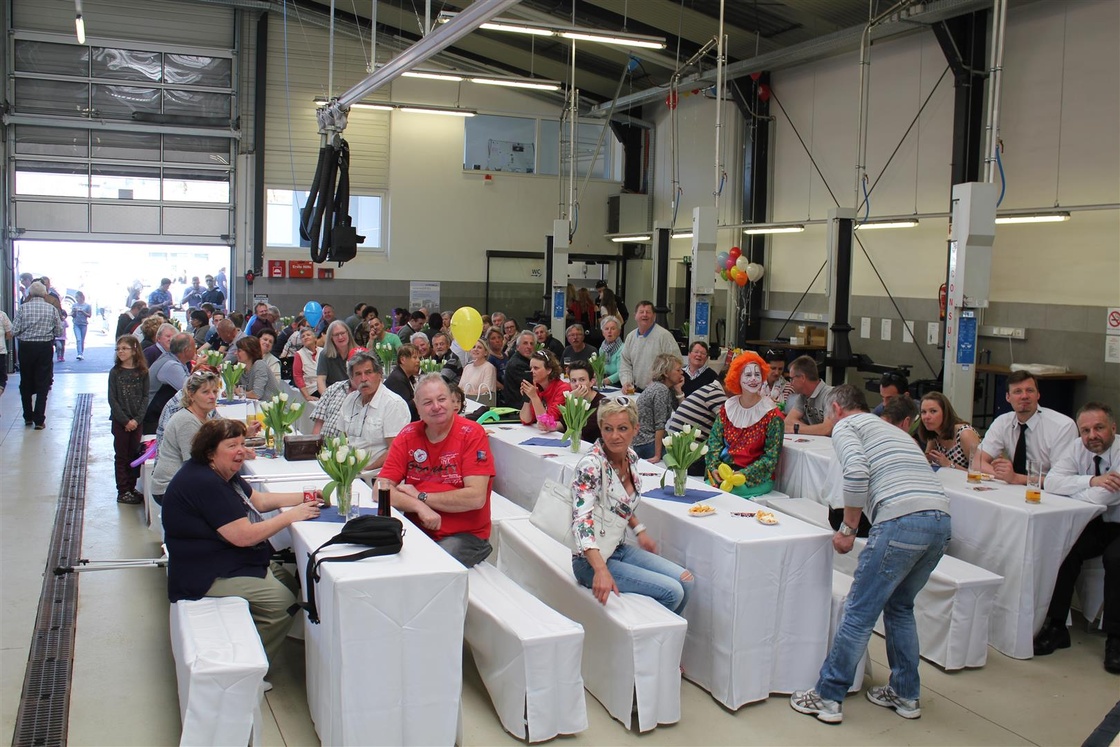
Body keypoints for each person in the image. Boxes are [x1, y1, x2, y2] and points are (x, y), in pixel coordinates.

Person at [791, 384, 951, 725]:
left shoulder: (848, 426)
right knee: (900, 606)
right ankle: (906, 693)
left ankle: (828, 696)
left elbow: (857, 472)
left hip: (901, 521)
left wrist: (848, 528)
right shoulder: (895, 432)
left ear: (835, 408)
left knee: (859, 611)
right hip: (939, 521)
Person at [161, 419, 320, 670]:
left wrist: (308, 497)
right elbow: (244, 536)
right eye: (232, 445)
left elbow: (260, 500)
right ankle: (251, 669)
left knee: (288, 581)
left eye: (242, 444)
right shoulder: (205, 482)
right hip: (202, 571)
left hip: (222, 556)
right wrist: (291, 515)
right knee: (282, 602)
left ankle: (254, 639)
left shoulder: (223, 473)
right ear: (210, 452)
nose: (241, 451)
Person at [570, 397, 692, 613]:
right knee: (673, 592)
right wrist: (600, 569)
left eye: (622, 428)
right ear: (600, 428)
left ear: (636, 429)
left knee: (686, 581)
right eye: (608, 428)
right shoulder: (590, 465)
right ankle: (653, 640)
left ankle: (662, 637)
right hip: (589, 560)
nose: (614, 436)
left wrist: (639, 530)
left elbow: (621, 502)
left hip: (617, 548)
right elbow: (581, 521)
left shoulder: (632, 458)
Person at [1033, 402, 1120, 672]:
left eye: (1099, 428)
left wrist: (1079, 488)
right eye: (1085, 430)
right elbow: (1052, 482)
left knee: (1116, 560)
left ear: (1113, 428)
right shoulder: (1076, 448)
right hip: (1095, 522)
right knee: (1063, 547)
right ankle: (1057, 625)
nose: (1092, 435)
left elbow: (1107, 496)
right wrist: (1090, 481)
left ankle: (1116, 638)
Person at [381, 375, 496, 567]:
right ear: (417, 409)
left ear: (452, 402)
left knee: (427, 566)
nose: (436, 406)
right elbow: (381, 488)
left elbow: (476, 498)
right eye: (428, 402)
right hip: (415, 530)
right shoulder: (408, 434)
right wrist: (419, 507)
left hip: (465, 536)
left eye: (441, 399)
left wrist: (421, 496)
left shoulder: (472, 433)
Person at [704, 351, 784, 497]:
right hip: (722, 475)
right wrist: (714, 467)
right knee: (711, 490)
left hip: (754, 479)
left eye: (757, 374)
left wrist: (743, 474)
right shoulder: (728, 408)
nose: (753, 379)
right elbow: (714, 442)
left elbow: (771, 458)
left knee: (727, 494)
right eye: (748, 375)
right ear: (737, 378)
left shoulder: (772, 414)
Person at [979, 370, 1077, 485]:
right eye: (1017, 391)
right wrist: (1004, 476)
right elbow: (978, 461)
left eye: (1030, 390)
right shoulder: (1003, 422)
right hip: (1013, 488)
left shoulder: (1063, 426)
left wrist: (1016, 478)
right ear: (1008, 397)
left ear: (1038, 395)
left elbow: (1062, 480)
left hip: (1048, 492)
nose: (1024, 396)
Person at [150, 371, 220, 505]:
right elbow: (195, 463)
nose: (212, 396)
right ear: (191, 395)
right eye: (205, 392)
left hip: (182, 483)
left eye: (215, 391)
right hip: (168, 488)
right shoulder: (187, 421)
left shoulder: (205, 416)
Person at [338, 351, 411, 468]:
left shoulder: (393, 404)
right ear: (351, 379)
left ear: (380, 374)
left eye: (368, 372)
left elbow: (395, 450)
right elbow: (342, 440)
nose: (363, 379)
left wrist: (364, 470)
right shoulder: (349, 400)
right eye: (358, 374)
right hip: (349, 472)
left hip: (376, 474)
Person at [12, 282, 62, 429]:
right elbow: (59, 331)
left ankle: (27, 416)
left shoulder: (22, 308)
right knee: (43, 382)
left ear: (30, 294)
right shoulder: (51, 309)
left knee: (25, 381)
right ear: (45, 294)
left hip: (26, 348)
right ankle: (39, 419)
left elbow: (14, 330)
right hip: (44, 348)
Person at [108, 336, 150, 504]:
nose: (121, 352)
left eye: (124, 348)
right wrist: (125, 421)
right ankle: (123, 489)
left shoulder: (142, 372)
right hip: (121, 422)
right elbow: (113, 399)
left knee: (134, 454)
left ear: (134, 350)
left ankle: (132, 487)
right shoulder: (115, 372)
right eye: (118, 349)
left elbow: (145, 396)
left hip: (137, 421)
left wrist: (137, 419)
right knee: (121, 455)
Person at [667, 380, 728, 476]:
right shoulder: (716, 393)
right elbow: (733, 425)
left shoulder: (708, 389)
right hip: (689, 459)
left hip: (674, 454)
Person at [619, 301, 679, 394]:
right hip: (636, 390)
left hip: (659, 392)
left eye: (648, 312)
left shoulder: (664, 336)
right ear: (635, 316)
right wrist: (626, 382)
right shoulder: (630, 337)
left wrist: (659, 382)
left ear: (654, 316)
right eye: (641, 312)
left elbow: (676, 362)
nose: (644, 315)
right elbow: (625, 362)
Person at [632, 353, 683, 461]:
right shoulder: (661, 390)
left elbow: (681, 412)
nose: (682, 373)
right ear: (666, 373)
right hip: (647, 443)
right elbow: (659, 426)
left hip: (642, 441)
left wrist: (678, 390)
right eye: (678, 370)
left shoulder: (665, 388)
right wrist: (657, 455)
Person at [145, 333, 195, 433]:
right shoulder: (171, 366)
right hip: (153, 418)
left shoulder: (171, 358)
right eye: (194, 347)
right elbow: (191, 390)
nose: (196, 350)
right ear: (186, 350)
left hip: (159, 414)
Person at [917, 392, 980, 471]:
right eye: (923, 412)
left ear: (945, 413)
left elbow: (979, 473)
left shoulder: (965, 434)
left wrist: (949, 464)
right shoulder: (933, 434)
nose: (927, 417)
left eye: (933, 411)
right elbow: (927, 462)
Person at [519, 350, 572, 428]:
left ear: (549, 370)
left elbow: (546, 422)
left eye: (536, 368)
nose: (532, 371)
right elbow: (526, 420)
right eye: (531, 368)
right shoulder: (536, 387)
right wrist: (527, 398)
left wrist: (534, 397)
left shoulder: (563, 389)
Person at [784, 355, 835, 436]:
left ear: (802, 378)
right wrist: (815, 430)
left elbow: (827, 429)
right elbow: (788, 421)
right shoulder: (803, 396)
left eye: (792, 379)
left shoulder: (831, 395)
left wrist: (796, 429)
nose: (790, 383)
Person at [564, 360, 604, 444]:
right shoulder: (572, 398)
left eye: (582, 380)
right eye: (573, 381)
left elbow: (581, 430)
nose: (577, 384)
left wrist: (572, 400)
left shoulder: (601, 404)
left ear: (591, 382)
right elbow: (564, 424)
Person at [316, 320, 357, 395]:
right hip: (334, 394)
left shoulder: (358, 352)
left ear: (348, 333)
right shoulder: (325, 354)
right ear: (331, 337)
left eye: (342, 333)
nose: (340, 337)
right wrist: (327, 398)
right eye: (336, 334)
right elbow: (320, 380)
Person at [236, 336, 282, 402]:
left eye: (239, 351)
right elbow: (235, 385)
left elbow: (256, 394)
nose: (235, 353)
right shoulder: (242, 368)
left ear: (249, 351)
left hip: (271, 409)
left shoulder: (260, 365)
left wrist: (241, 392)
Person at [385, 343, 422, 421]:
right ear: (403, 360)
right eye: (414, 357)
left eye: (419, 358)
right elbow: (405, 409)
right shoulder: (397, 380)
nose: (418, 361)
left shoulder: (406, 376)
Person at [502, 331, 535, 409]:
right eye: (525, 343)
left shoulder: (525, 360)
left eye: (531, 343)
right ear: (517, 347)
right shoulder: (517, 364)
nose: (529, 346)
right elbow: (532, 386)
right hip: (518, 407)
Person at [596, 315, 625, 387]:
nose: (609, 331)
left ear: (619, 332)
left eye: (613, 329)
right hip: (605, 383)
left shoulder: (623, 348)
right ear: (603, 333)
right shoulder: (602, 348)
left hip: (619, 384)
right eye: (606, 329)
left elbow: (621, 372)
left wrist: (604, 381)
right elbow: (601, 368)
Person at [293, 328, 321, 400]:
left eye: (308, 335)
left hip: (326, 385)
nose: (306, 337)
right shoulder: (299, 354)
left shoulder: (323, 351)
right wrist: (307, 396)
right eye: (303, 336)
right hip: (312, 389)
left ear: (315, 338)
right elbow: (297, 376)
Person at [70, 291, 91, 361]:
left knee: (82, 340)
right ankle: (79, 353)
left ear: (81, 297)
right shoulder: (74, 305)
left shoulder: (87, 306)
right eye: (75, 297)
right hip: (76, 324)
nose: (76, 299)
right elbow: (72, 315)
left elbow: (89, 315)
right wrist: (74, 312)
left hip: (84, 324)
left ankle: (81, 352)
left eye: (77, 297)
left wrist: (83, 312)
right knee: (78, 339)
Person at [0, 309, 12, 397]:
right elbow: (9, 333)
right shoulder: (2, 315)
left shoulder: (2, 315)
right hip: (0, 351)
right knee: (1, 380)